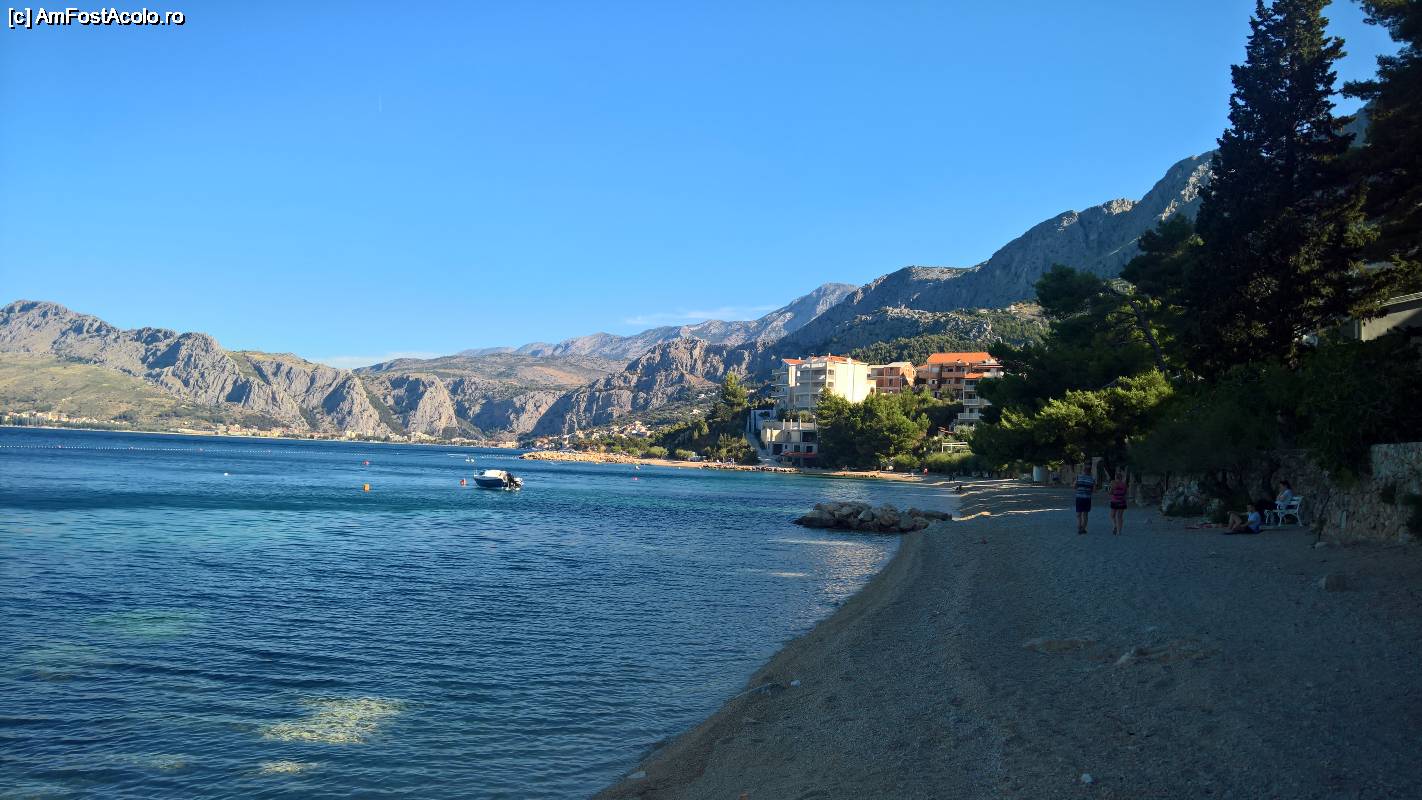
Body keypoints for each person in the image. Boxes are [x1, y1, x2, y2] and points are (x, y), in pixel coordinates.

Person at [1074, 464, 1098, 534]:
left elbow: (1074, 486)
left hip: (1079, 497)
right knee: (1085, 514)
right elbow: (1094, 490)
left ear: (1083, 471)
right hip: (1087, 498)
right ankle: (1083, 528)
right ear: (1090, 471)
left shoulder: (1078, 477)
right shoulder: (1092, 479)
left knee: (1079, 514)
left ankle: (1079, 526)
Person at [1107, 469, 1129, 535]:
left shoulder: (1113, 483)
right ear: (1121, 478)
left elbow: (1110, 492)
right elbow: (1126, 493)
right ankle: (1119, 532)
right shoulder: (1124, 484)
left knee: (1112, 515)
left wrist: (1110, 489)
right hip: (1122, 502)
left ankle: (1115, 525)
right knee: (1120, 517)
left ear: (1116, 477)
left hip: (1115, 501)